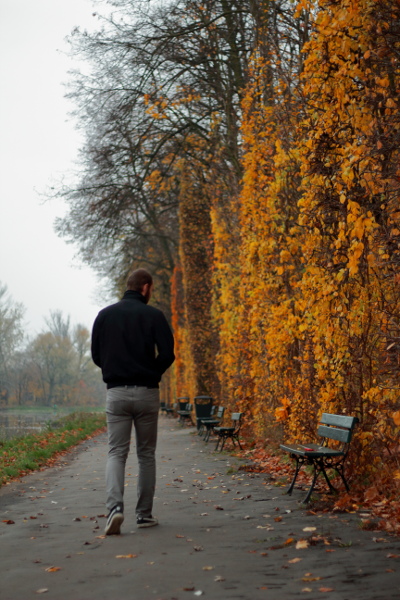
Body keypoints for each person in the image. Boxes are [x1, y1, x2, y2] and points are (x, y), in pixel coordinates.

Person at [91, 268, 175, 535]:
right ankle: (144, 515)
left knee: (116, 453)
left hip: (116, 393)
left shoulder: (104, 316)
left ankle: (114, 509)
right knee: (146, 454)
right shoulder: (154, 315)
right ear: (146, 287)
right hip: (147, 393)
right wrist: (151, 371)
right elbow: (168, 353)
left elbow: (96, 355)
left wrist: (113, 369)